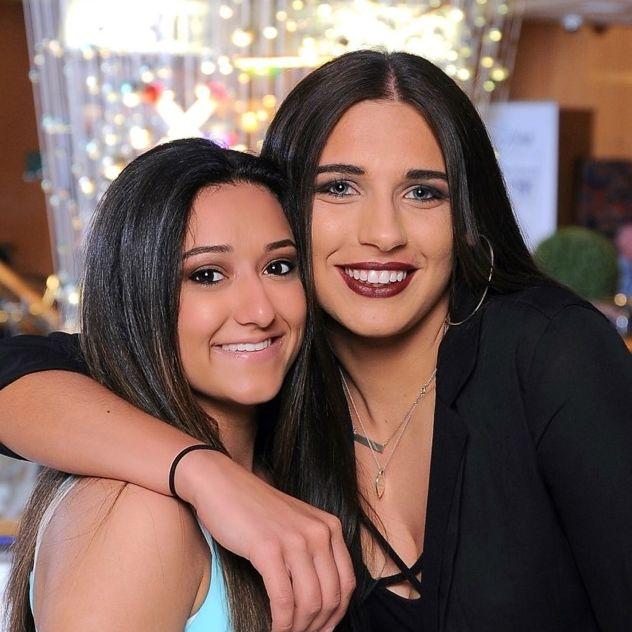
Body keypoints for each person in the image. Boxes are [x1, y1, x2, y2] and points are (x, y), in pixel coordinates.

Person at [2, 51, 631, 631]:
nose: (383, 233)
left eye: (422, 192)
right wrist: (206, 475)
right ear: (288, 208)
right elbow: (25, 367)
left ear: (466, 215)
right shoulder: (269, 370)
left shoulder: (547, 351)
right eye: (339, 187)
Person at [4, 138, 355, 632]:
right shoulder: (139, 513)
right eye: (207, 275)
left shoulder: (272, 476)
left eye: (279, 267)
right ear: (137, 299)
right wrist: (201, 473)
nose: (260, 311)